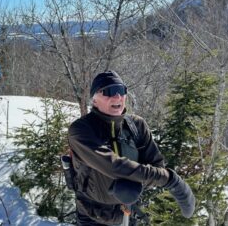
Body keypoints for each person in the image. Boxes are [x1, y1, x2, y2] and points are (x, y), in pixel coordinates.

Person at [67, 71, 195, 225]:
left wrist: (133, 187)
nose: (117, 96)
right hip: (93, 216)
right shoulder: (81, 130)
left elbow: (157, 165)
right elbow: (113, 165)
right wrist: (170, 180)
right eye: (108, 91)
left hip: (128, 213)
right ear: (94, 100)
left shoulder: (136, 126)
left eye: (121, 91)